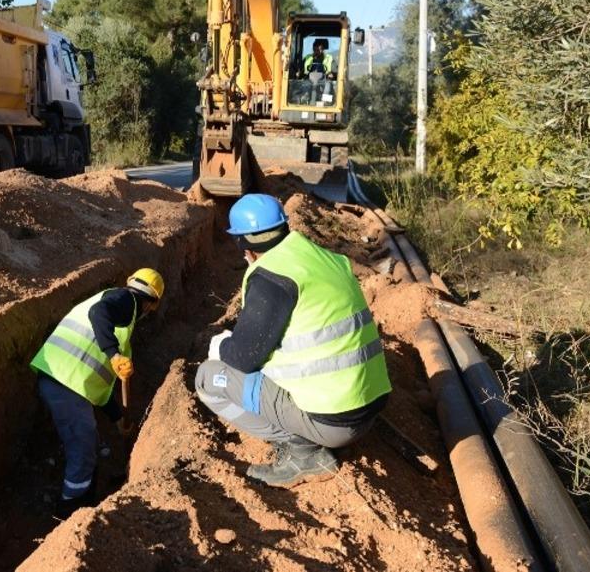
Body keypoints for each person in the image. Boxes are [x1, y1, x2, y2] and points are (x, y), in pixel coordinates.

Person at [195, 194, 390, 487]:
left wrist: (220, 345)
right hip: (368, 407)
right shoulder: (325, 259)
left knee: (208, 378)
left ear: (243, 244)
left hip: (333, 423)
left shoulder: (271, 276)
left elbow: (244, 358)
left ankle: (303, 452)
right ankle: (309, 436)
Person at [30, 268, 166, 517]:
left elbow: (100, 386)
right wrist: (114, 354)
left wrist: (116, 419)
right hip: (64, 384)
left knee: (88, 445)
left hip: (65, 383)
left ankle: (87, 500)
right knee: (82, 451)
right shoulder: (127, 300)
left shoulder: (122, 311)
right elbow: (99, 313)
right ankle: (70, 514)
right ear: (151, 304)